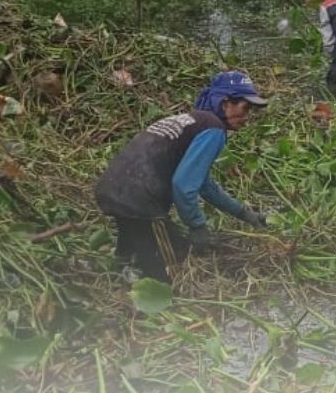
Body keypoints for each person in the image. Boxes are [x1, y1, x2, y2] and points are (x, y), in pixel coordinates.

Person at [95, 70, 269, 282]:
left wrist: (244, 214)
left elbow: (204, 185)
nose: (247, 117)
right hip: (140, 201)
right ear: (225, 103)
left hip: (113, 189)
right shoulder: (214, 129)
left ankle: (119, 274)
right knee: (166, 268)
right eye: (245, 107)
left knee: (134, 242)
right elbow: (183, 185)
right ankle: (149, 305)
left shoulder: (193, 121)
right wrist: (197, 226)